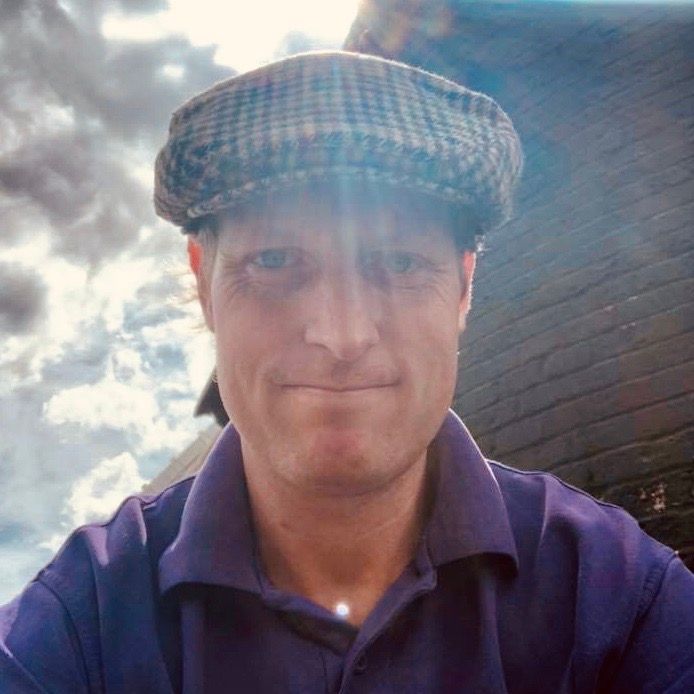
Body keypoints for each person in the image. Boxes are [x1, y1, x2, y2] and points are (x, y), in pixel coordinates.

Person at [1, 50, 692, 693]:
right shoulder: (81, 621)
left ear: (463, 288)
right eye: (275, 261)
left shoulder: (615, 594)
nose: (342, 335)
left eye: (400, 263)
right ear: (204, 282)